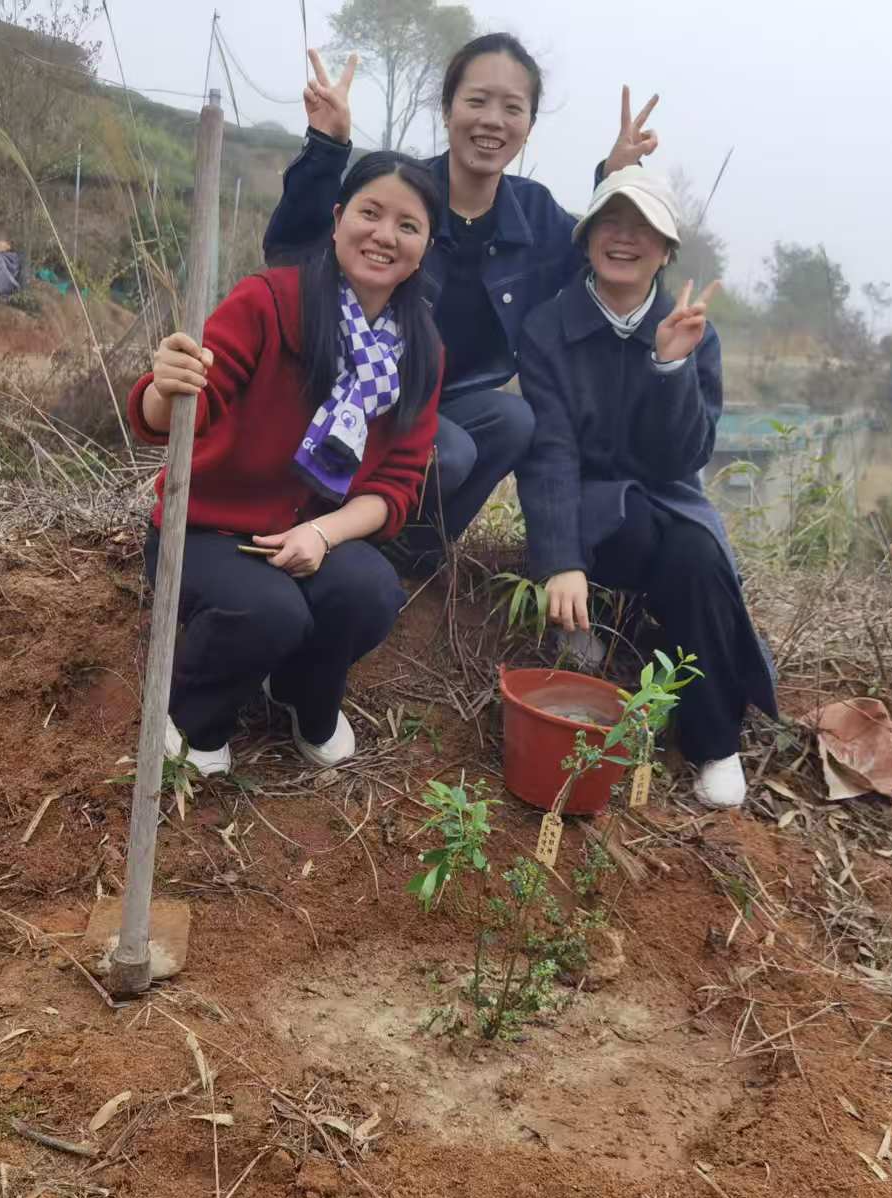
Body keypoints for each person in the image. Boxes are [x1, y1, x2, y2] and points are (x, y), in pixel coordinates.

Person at [264, 34, 660, 570]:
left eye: (512, 108)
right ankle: (346, 530)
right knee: (449, 451)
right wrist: (327, 147)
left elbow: (600, 264)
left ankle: (414, 554)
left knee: (513, 419)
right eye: (477, 101)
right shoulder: (404, 193)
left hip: (449, 402)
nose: (492, 120)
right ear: (448, 109)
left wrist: (612, 183)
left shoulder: (535, 215)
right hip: (360, 391)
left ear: (529, 125)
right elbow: (291, 251)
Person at [129, 152, 445, 776]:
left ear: (425, 248)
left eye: (407, 225)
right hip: (206, 530)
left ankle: (301, 692)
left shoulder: (423, 352)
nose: (385, 235)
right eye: (370, 213)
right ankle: (194, 719)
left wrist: (321, 533)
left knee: (371, 592)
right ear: (337, 219)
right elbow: (178, 412)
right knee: (270, 609)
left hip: (308, 531)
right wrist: (166, 386)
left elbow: (398, 485)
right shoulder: (270, 302)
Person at [515, 167, 778, 808]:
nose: (624, 238)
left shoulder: (691, 329)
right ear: (586, 238)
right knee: (633, 527)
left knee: (698, 556)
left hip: (665, 498)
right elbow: (549, 450)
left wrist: (669, 363)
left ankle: (715, 741)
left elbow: (682, 458)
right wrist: (561, 561)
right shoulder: (548, 328)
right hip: (584, 507)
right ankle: (588, 621)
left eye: (644, 229)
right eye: (610, 222)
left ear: (665, 251)